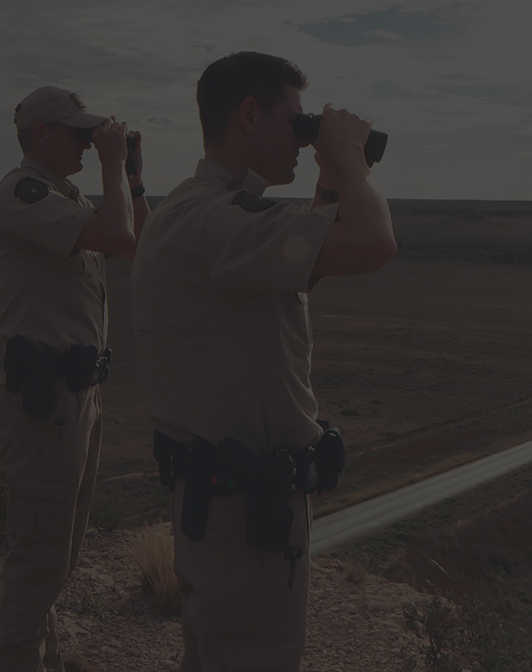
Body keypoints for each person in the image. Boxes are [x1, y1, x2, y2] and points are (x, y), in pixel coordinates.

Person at [131, 52, 396, 671]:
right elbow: (373, 243)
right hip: (244, 519)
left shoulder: (190, 210)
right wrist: (351, 157)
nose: (303, 140)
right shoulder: (223, 220)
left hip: (218, 505)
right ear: (249, 114)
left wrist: (329, 177)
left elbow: (299, 267)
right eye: (296, 120)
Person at [0, 85, 150, 672]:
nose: (85, 142)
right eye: (75, 132)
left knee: (57, 561)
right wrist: (109, 162)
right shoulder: (23, 193)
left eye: (90, 133)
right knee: (37, 567)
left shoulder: (69, 197)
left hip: (77, 399)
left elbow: (139, 245)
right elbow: (118, 237)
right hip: (44, 403)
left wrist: (129, 178)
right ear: (40, 136)